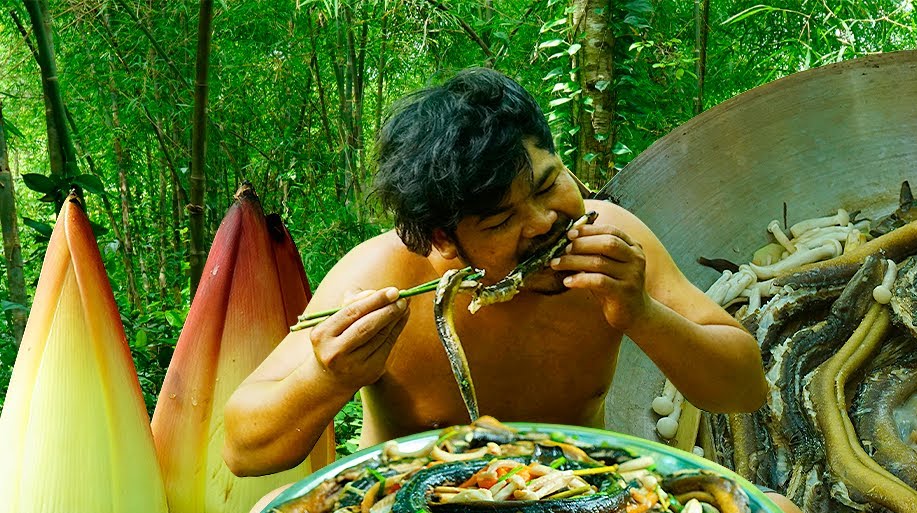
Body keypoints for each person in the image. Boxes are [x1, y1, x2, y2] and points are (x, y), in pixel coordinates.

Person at [223, 67, 770, 486]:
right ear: (443, 240)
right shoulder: (380, 275)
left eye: (548, 184)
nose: (543, 222)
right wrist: (327, 376)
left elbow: (745, 388)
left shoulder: (615, 242)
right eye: (502, 220)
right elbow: (243, 449)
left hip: (583, 500)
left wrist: (641, 314)